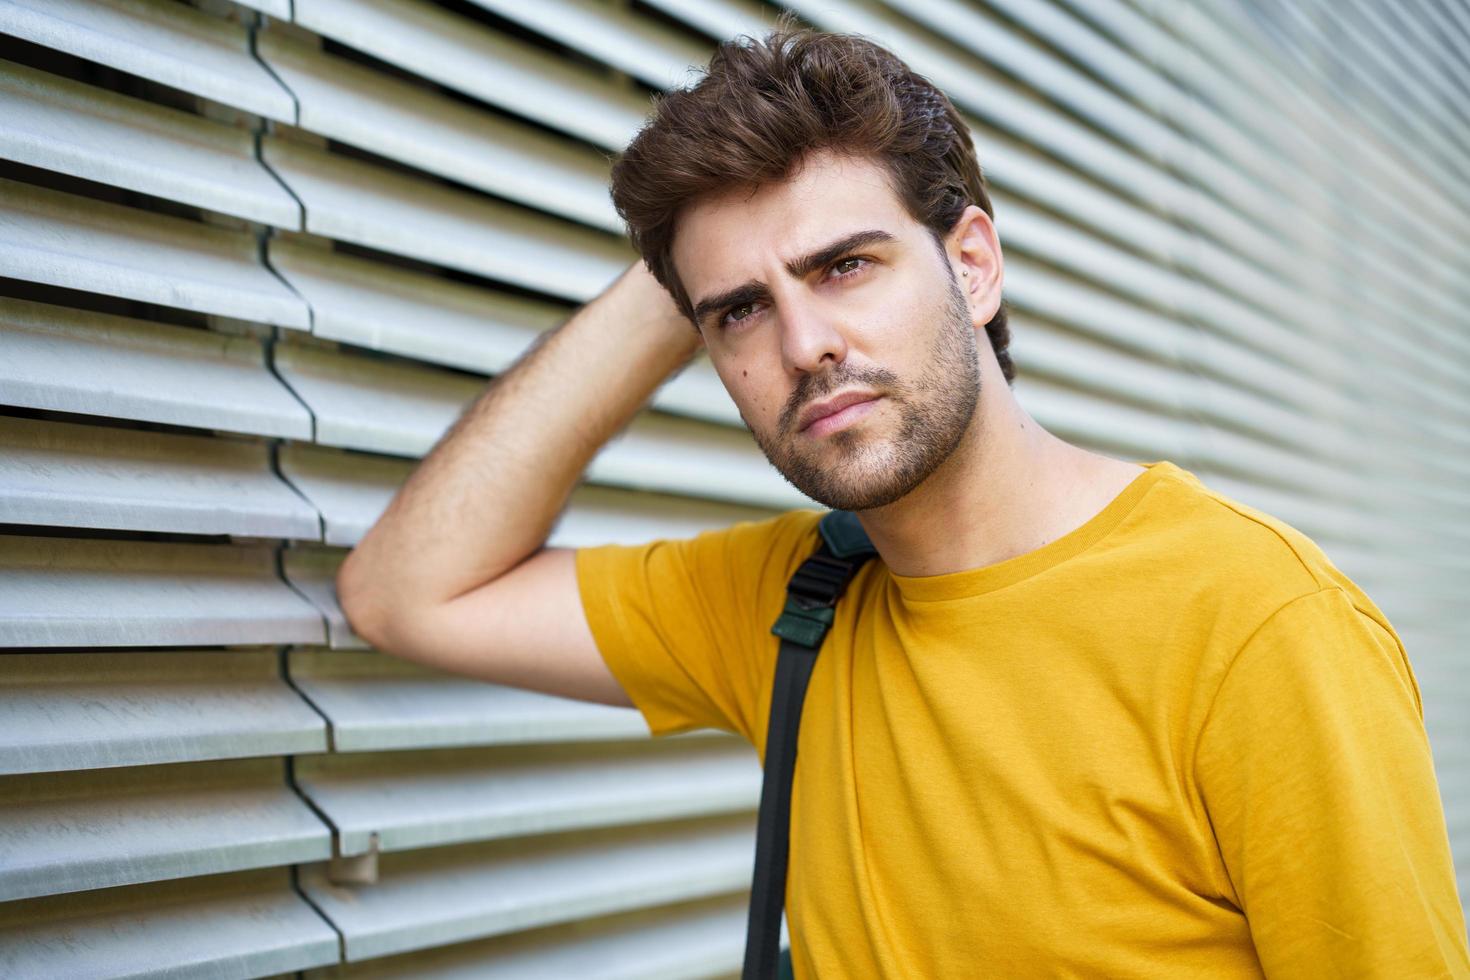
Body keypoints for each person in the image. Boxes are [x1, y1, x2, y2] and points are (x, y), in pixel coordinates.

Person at [336, 22, 1470, 978]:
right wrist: (683, 265)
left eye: (844, 265)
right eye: (738, 311)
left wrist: (733, 253)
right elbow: (405, 594)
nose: (805, 343)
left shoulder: (1255, 623)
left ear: (973, 265)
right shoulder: (791, 600)